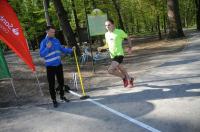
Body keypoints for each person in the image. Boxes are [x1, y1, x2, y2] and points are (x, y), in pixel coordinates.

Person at [40, 26, 74, 108]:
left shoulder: (56, 40)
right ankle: (54, 100)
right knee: (51, 84)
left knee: (61, 82)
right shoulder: (44, 42)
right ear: (47, 32)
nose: (53, 33)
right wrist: (47, 48)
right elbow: (41, 54)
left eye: (54, 32)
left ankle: (62, 97)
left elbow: (62, 50)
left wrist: (71, 50)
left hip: (58, 65)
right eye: (52, 32)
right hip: (50, 67)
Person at [98, 19, 134, 88]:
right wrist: (102, 47)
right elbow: (107, 45)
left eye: (109, 25)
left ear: (113, 25)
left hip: (119, 54)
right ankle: (130, 79)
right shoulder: (106, 34)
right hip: (112, 55)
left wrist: (130, 47)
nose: (107, 27)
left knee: (110, 70)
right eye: (106, 25)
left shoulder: (119, 32)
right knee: (121, 68)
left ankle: (124, 78)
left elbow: (128, 38)